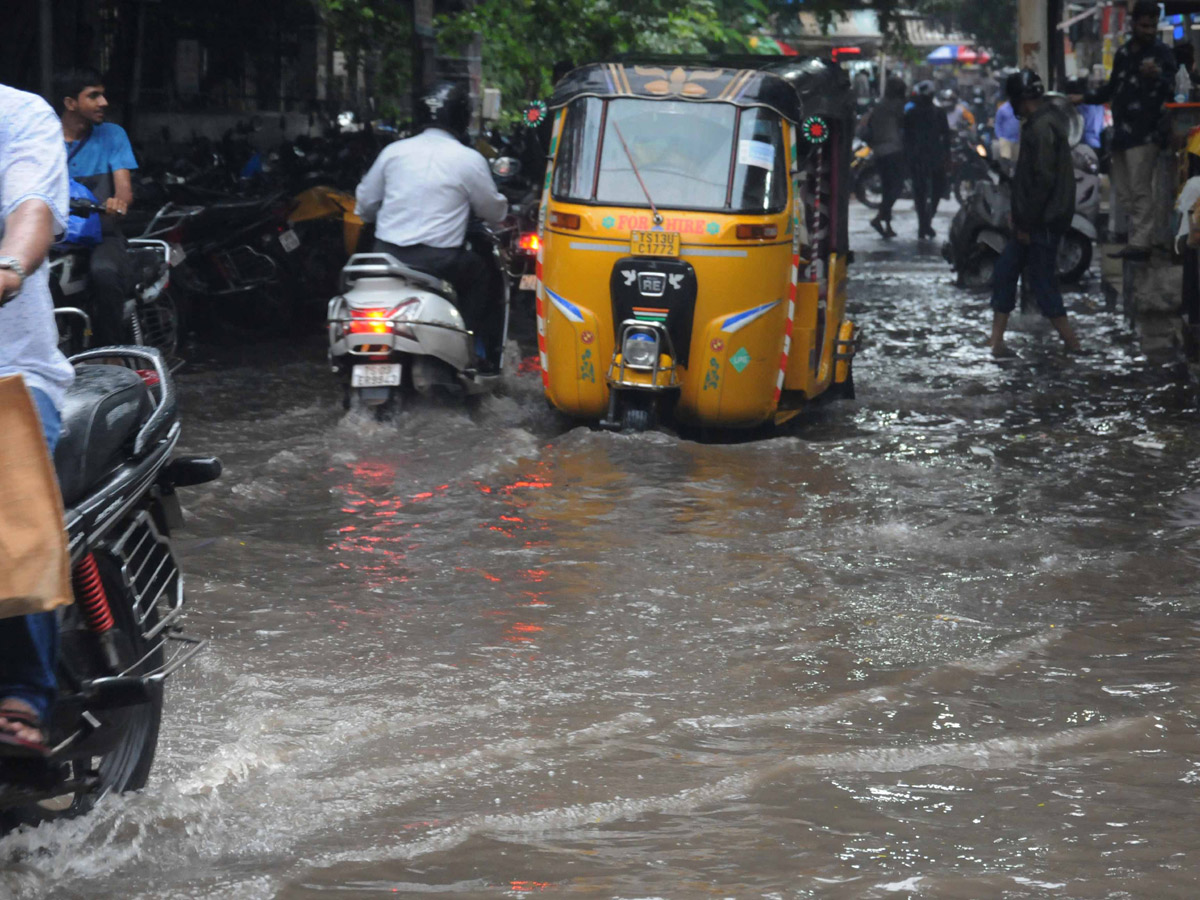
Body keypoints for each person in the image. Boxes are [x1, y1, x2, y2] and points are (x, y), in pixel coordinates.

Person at [0, 83, 73, 754]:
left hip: (11, 375)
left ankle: (23, 689)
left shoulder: (17, 116)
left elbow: (33, 206)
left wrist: (8, 265)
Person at [355, 81, 508, 368]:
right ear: (462, 117)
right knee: (481, 274)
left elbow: (364, 205)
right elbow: (493, 211)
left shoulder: (393, 152)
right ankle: (469, 349)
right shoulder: (469, 159)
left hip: (386, 256)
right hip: (440, 261)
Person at [1071, 0, 1175, 260]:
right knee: (1124, 191)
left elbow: (1174, 89)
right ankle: (1136, 239)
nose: (1149, 30)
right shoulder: (1124, 54)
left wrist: (1157, 76)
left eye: (1152, 25)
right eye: (1144, 25)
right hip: (1121, 134)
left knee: (1140, 189)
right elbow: (1111, 89)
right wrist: (1082, 98)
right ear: (1133, 24)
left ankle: (1142, 243)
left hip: (1147, 133)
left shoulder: (1162, 54)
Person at [989, 70, 1082, 358]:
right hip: (1033, 220)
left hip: (1041, 222)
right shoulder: (1043, 122)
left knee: (1042, 283)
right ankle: (996, 343)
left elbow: (1042, 180)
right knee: (1006, 274)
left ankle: (1074, 345)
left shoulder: (1042, 128)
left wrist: (1026, 222)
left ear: (1020, 100)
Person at [54, 67, 138, 346]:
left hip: (103, 233)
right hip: (54, 235)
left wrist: (117, 202)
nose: (104, 103)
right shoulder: (44, 138)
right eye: (94, 96)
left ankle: (110, 351)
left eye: (103, 95)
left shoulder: (113, 135)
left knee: (105, 274)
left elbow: (124, 190)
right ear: (70, 103)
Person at [903, 81, 951, 241]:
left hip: (920, 158)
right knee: (933, 191)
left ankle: (924, 224)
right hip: (931, 157)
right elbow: (946, 137)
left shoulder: (912, 113)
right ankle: (925, 223)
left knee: (921, 193)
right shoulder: (937, 112)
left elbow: (906, 137)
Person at [862, 76, 907, 239]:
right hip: (893, 150)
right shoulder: (897, 106)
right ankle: (880, 218)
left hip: (879, 151)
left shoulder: (879, 106)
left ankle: (886, 223)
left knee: (888, 189)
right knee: (895, 188)